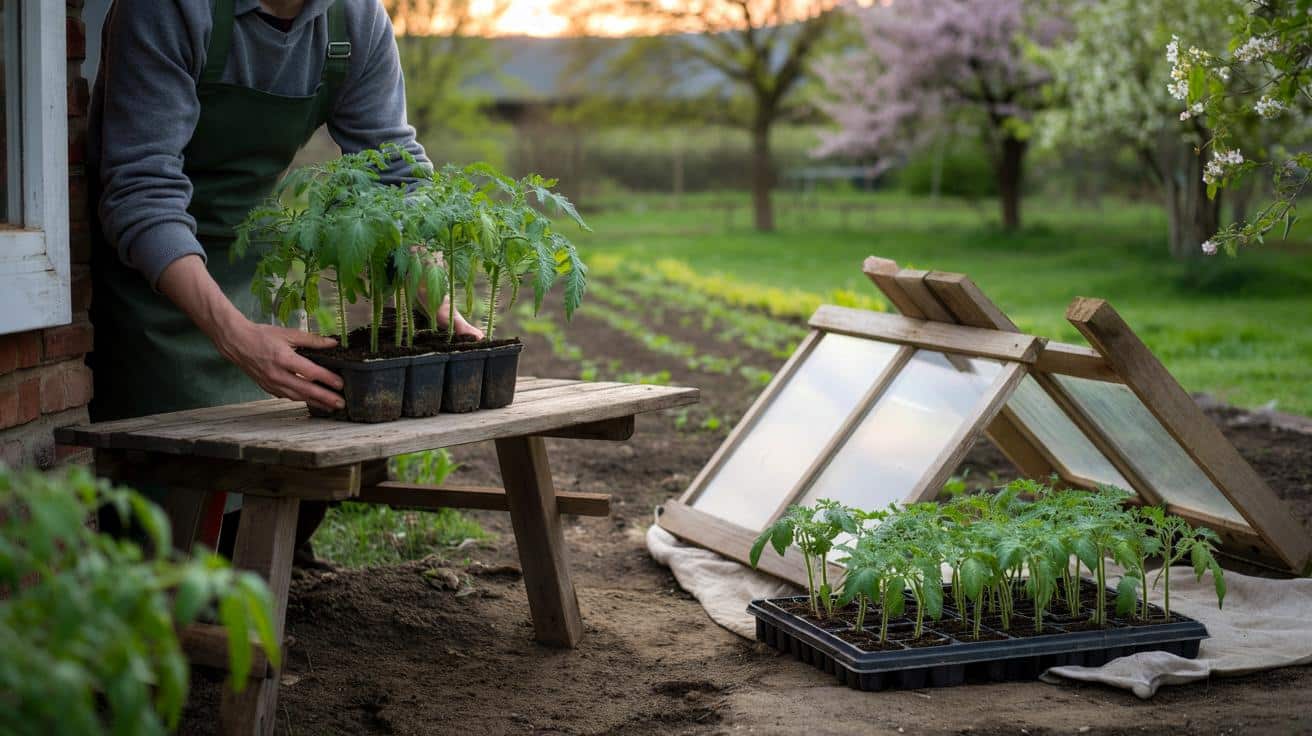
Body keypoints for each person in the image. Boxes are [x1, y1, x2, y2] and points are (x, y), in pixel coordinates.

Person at [86, 0, 481, 562]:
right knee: (164, 514)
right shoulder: (170, 10)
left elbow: (394, 178)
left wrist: (437, 302)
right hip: (152, 279)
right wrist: (234, 335)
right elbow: (140, 191)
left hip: (252, 260)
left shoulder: (355, 20)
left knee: (291, 471)